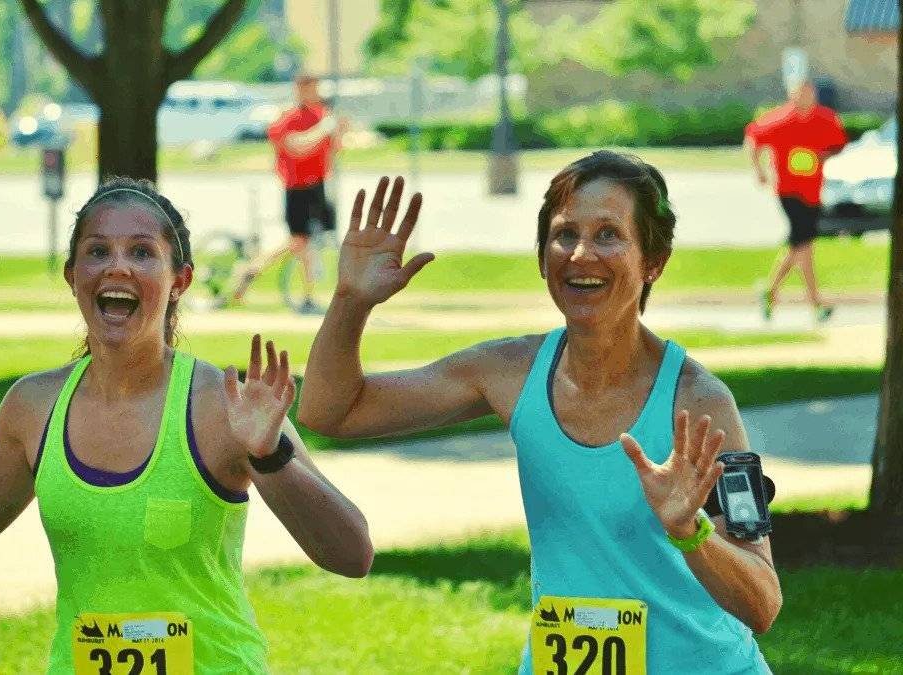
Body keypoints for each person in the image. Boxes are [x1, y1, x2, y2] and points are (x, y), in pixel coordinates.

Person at [0, 176, 373, 674]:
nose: (117, 268)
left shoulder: (224, 405)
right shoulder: (34, 405)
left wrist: (269, 455)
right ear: (73, 276)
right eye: (98, 251)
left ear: (179, 280)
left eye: (142, 252)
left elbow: (351, 554)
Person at [299, 156, 782, 674]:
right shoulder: (510, 371)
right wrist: (351, 301)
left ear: (654, 261)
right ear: (541, 256)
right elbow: (331, 411)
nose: (581, 254)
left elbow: (762, 603)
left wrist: (691, 531)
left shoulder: (701, 403)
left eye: (608, 235)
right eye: (564, 234)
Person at [744, 80, 848, 323]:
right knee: (804, 246)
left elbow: (839, 143)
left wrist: (826, 154)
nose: (805, 97)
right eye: (800, 93)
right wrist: (758, 169)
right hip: (788, 191)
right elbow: (752, 138)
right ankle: (816, 305)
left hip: (813, 191)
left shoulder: (824, 119)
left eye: (809, 93)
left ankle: (769, 292)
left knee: (799, 246)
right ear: (792, 95)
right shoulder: (780, 120)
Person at [249, 73, 347, 314]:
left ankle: (259, 269)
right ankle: (257, 270)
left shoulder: (321, 116)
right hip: (297, 188)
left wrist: (338, 131)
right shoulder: (288, 118)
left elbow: (335, 148)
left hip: (318, 186)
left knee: (311, 242)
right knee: (299, 241)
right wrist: (323, 129)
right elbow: (295, 146)